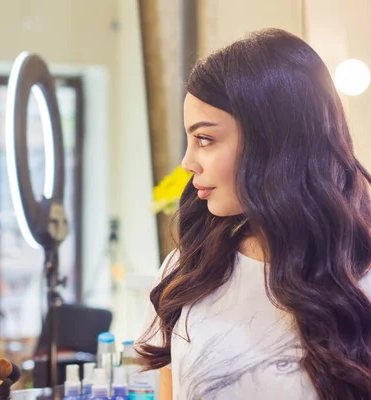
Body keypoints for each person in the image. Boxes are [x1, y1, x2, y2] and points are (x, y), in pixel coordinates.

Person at [135, 28, 371, 400]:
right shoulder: (187, 272)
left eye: (205, 139)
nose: (187, 162)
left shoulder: (360, 279)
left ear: (273, 142)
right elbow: (170, 387)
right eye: (190, 139)